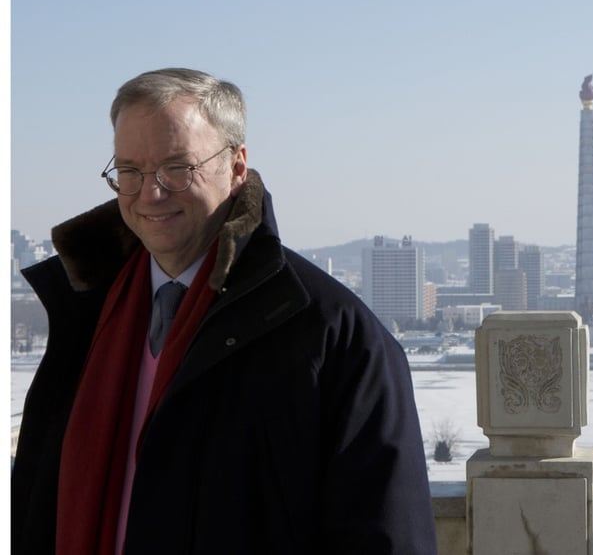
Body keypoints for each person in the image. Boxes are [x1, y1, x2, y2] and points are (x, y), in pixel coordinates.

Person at [12, 68, 438, 554]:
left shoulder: (333, 334)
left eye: (178, 168)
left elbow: (385, 535)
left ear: (237, 166)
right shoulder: (85, 313)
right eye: (130, 171)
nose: (150, 193)